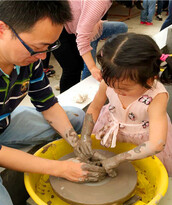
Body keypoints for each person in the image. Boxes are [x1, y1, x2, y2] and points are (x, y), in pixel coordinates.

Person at [0, 1, 106, 205]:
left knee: (76, 117)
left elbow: (48, 104)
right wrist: (61, 169)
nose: (43, 57)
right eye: (38, 48)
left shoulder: (29, 54)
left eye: (49, 48)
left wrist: (78, 145)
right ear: (0, 29)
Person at [74, 33, 172, 177]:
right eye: (112, 85)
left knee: (139, 173)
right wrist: (85, 136)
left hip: (144, 141)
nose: (117, 91)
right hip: (112, 127)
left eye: (125, 88)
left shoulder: (157, 96)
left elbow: (156, 143)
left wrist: (118, 158)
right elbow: (95, 107)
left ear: (150, 79)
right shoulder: (109, 83)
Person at [52, 0, 129, 93]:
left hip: (73, 25)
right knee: (72, 68)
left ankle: (72, 92)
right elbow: (82, 37)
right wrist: (92, 67)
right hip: (57, 24)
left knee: (77, 65)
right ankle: (67, 102)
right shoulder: (100, 2)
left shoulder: (103, 3)